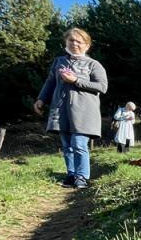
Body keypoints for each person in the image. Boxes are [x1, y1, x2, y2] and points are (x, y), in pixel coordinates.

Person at [33, 28, 108, 188]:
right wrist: (41, 99)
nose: (74, 44)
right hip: (61, 110)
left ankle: (82, 176)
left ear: (86, 45)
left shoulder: (93, 64)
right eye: (71, 40)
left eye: (79, 41)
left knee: (79, 143)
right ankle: (71, 174)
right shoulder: (59, 62)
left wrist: (76, 80)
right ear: (66, 42)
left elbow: (102, 86)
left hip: (84, 112)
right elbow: (50, 82)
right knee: (67, 145)